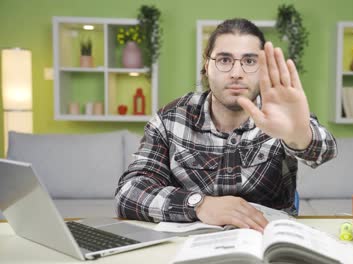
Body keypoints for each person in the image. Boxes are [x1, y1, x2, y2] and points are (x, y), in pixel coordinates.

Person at [115, 18, 337, 232]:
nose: (236, 73)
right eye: (224, 60)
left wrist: (298, 135)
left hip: (268, 243)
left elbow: (325, 151)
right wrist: (198, 204)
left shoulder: (281, 114)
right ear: (207, 66)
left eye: (249, 61)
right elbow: (129, 191)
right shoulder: (170, 119)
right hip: (187, 247)